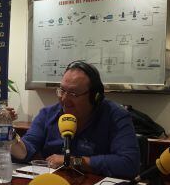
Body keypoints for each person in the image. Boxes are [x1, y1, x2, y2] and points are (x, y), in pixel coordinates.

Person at [11, 61, 140, 178]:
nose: (64, 100)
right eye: (62, 90)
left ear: (95, 97)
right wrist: (9, 136)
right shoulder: (47, 114)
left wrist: (74, 161)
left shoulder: (116, 116)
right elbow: (27, 149)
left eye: (73, 94)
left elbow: (128, 163)